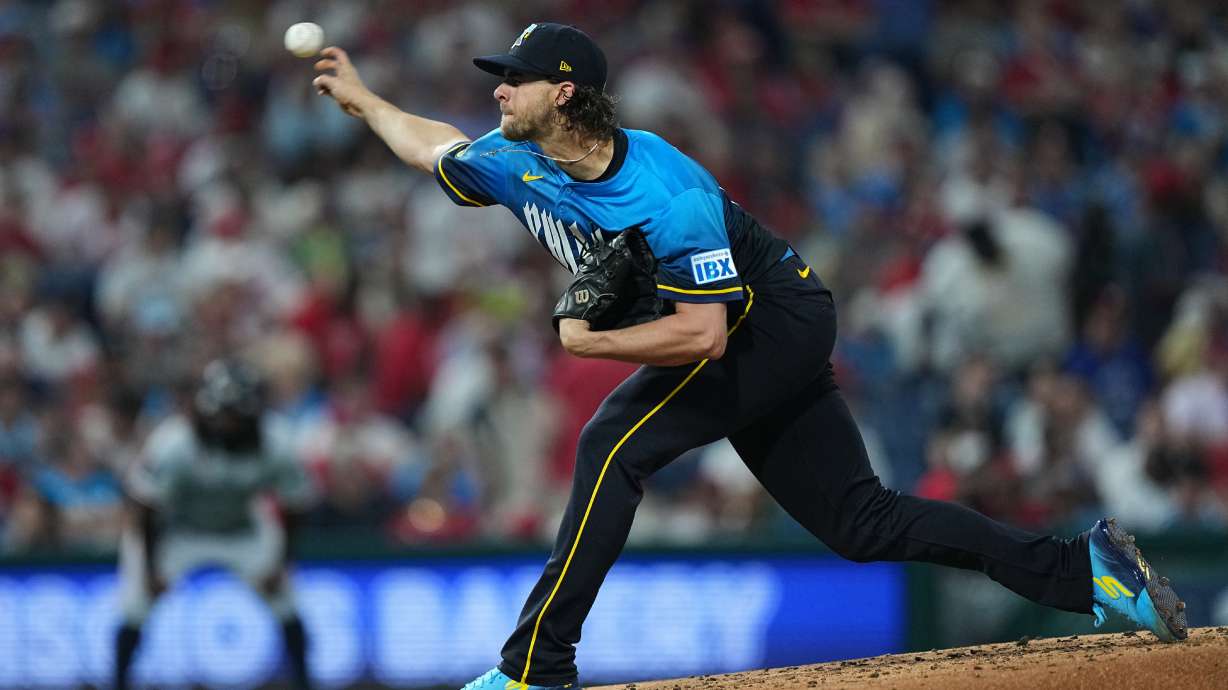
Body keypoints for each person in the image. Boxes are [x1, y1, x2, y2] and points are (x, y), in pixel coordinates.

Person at [312, 22, 1187, 690]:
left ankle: (537, 666)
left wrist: (588, 341)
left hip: (771, 318)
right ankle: (1090, 573)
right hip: (744, 330)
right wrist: (364, 100)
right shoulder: (519, 157)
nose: (499, 93)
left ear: (568, 93)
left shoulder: (661, 193)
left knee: (613, 445)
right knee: (860, 523)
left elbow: (705, 337)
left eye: (516, 80)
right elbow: (432, 145)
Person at [113, 359, 316, 690]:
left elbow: (296, 506)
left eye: (234, 415)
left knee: (287, 604)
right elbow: (146, 507)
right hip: (175, 532)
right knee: (136, 607)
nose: (226, 424)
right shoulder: (173, 444)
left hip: (242, 528)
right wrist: (151, 569)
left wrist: (282, 562)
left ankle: (304, 681)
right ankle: (119, 681)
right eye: (220, 414)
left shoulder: (277, 442)